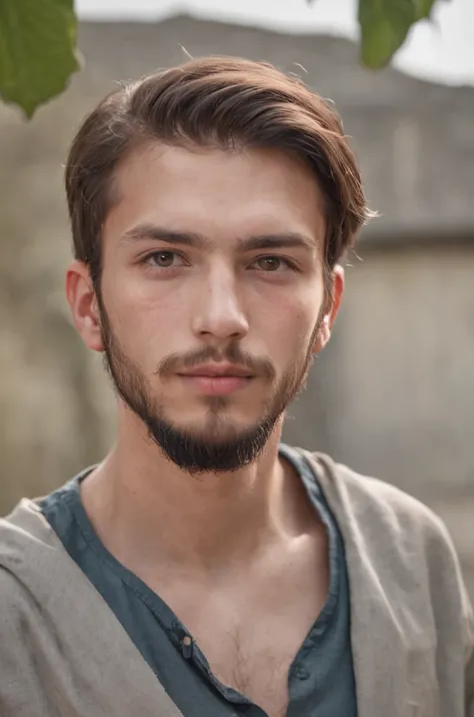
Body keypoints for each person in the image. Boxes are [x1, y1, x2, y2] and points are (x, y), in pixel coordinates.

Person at [0, 57, 472, 717]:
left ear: (328, 309)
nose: (222, 316)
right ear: (87, 305)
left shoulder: (412, 563)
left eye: (270, 262)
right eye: (164, 259)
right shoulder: (15, 618)